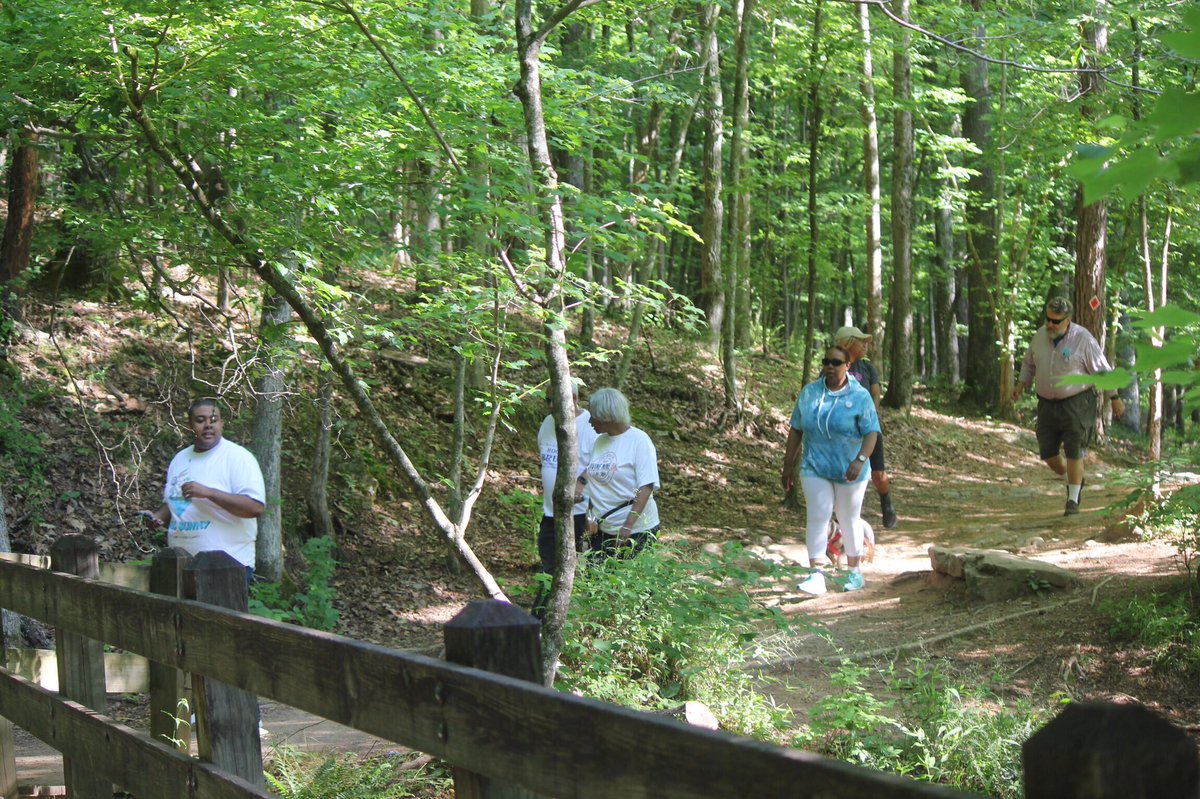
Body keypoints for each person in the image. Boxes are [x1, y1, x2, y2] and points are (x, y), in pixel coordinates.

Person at [1012, 296, 1125, 516]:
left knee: (1075, 450)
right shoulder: (1039, 336)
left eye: (1056, 321)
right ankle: (1070, 474)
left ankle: (1073, 499)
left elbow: (1102, 370)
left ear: (1068, 320)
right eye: (1048, 319)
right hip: (1046, 403)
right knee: (1048, 453)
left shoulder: (1083, 339)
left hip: (1077, 402)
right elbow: (1029, 363)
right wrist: (1021, 384)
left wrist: (1114, 397)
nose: (1050, 325)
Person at [781, 345, 880, 595]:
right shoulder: (810, 393)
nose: (830, 366)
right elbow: (796, 429)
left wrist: (859, 460)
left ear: (848, 366)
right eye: (826, 361)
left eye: (836, 362)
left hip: (850, 470)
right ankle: (816, 575)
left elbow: (871, 434)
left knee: (848, 518)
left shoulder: (860, 396)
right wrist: (787, 465)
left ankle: (854, 572)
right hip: (815, 466)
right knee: (818, 515)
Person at [142, 397, 266, 586]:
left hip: (226, 566)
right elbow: (176, 501)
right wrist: (157, 517)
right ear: (190, 425)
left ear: (222, 423)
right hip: (180, 564)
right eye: (200, 420)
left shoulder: (238, 458)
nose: (208, 425)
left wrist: (209, 493)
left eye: (213, 420)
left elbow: (254, 507)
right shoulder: (180, 459)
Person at [532, 380, 598, 618]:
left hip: (579, 515)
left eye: (555, 400)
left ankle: (540, 621)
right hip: (550, 512)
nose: (550, 406)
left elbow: (601, 464)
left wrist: (582, 484)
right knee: (549, 567)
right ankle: (543, 621)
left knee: (563, 570)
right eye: (547, 400)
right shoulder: (548, 423)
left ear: (573, 399)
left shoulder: (590, 425)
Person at [584, 387, 661, 558]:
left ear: (606, 417)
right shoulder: (599, 442)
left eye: (593, 416)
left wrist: (628, 526)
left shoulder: (639, 441)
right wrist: (590, 517)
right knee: (595, 580)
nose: (590, 421)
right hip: (603, 529)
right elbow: (595, 484)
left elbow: (646, 487)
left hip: (635, 532)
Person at [835, 325, 897, 529]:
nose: (865, 345)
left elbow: (875, 394)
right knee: (843, 472)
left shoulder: (867, 369)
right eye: (861, 341)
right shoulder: (834, 366)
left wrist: (869, 418)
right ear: (848, 343)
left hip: (868, 429)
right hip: (843, 433)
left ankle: (886, 501)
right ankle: (843, 515)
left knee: (878, 474)